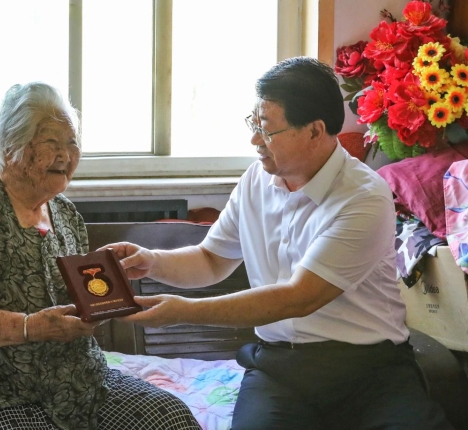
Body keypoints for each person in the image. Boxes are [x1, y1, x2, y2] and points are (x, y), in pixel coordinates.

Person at [102, 57, 454, 430]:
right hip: (279, 369)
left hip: (370, 370)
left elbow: (299, 297)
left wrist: (183, 312)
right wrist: (152, 261)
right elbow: (210, 259)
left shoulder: (363, 196)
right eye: (254, 124)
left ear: (315, 131)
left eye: (267, 130)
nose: (255, 140)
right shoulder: (256, 180)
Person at [0, 82, 202, 430]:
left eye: (72, 143)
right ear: (11, 147)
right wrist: (29, 327)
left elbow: (74, 307)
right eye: (52, 142)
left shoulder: (67, 215)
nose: (66, 155)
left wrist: (104, 286)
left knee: (171, 418)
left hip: (78, 381)